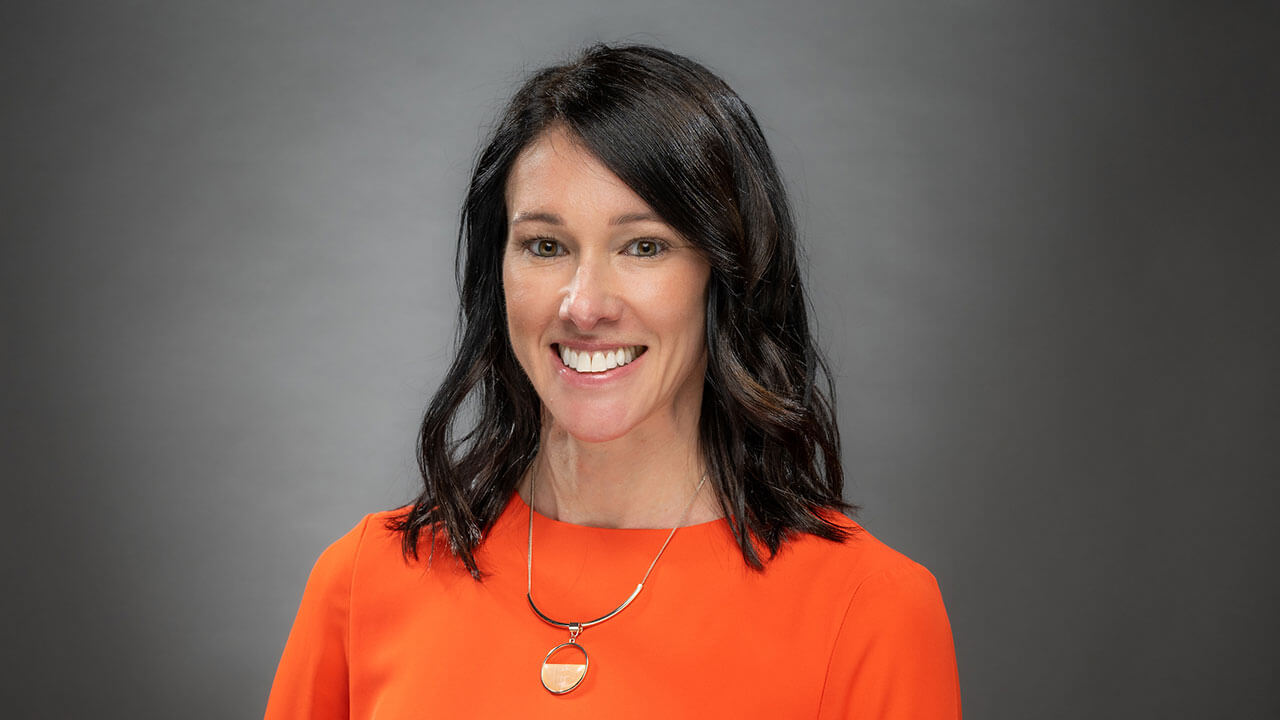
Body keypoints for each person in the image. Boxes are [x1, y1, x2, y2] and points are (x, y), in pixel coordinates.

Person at [265, 43, 961, 718]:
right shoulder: (364, 580)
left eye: (644, 246)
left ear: (726, 275)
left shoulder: (868, 610)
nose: (585, 304)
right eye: (545, 245)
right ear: (496, 275)